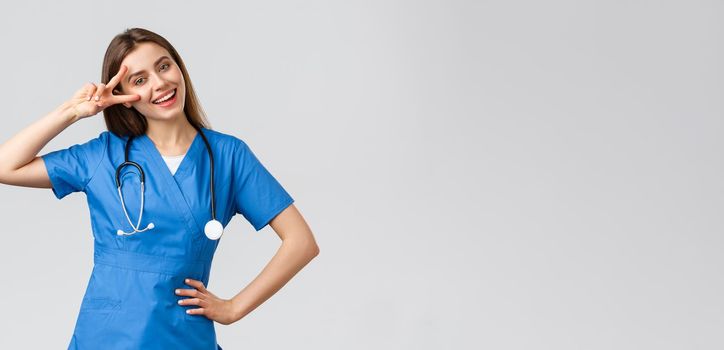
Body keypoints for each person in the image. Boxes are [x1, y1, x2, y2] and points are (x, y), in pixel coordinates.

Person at [0, 27, 320, 349]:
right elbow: (5, 166)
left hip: (183, 334)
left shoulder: (228, 156)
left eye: (164, 66)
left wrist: (234, 308)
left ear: (179, 68)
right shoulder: (103, 155)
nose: (159, 83)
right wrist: (71, 112)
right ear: (124, 97)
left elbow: (301, 241)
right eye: (139, 80)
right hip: (106, 335)